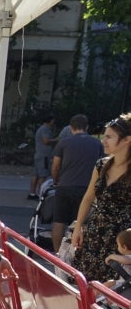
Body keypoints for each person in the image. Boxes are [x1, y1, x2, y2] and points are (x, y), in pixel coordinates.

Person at [70, 116, 131, 283]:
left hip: (120, 241)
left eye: (109, 137)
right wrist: (78, 228)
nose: (104, 141)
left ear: (126, 140)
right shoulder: (102, 165)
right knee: (85, 286)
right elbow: (89, 197)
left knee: (109, 294)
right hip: (94, 235)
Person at [50, 114, 103, 249]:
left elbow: (56, 166)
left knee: (58, 221)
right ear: (87, 127)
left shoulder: (63, 142)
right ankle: (76, 251)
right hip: (86, 188)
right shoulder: (97, 143)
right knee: (81, 222)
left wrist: (56, 181)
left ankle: (57, 254)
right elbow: (102, 165)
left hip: (64, 186)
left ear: (70, 127)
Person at [30, 115, 58, 198]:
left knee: (36, 174)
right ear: (50, 121)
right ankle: (41, 194)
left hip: (39, 154)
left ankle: (32, 193)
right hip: (44, 155)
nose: (54, 122)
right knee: (43, 174)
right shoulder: (45, 129)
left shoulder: (41, 128)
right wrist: (57, 139)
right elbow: (46, 141)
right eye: (53, 121)